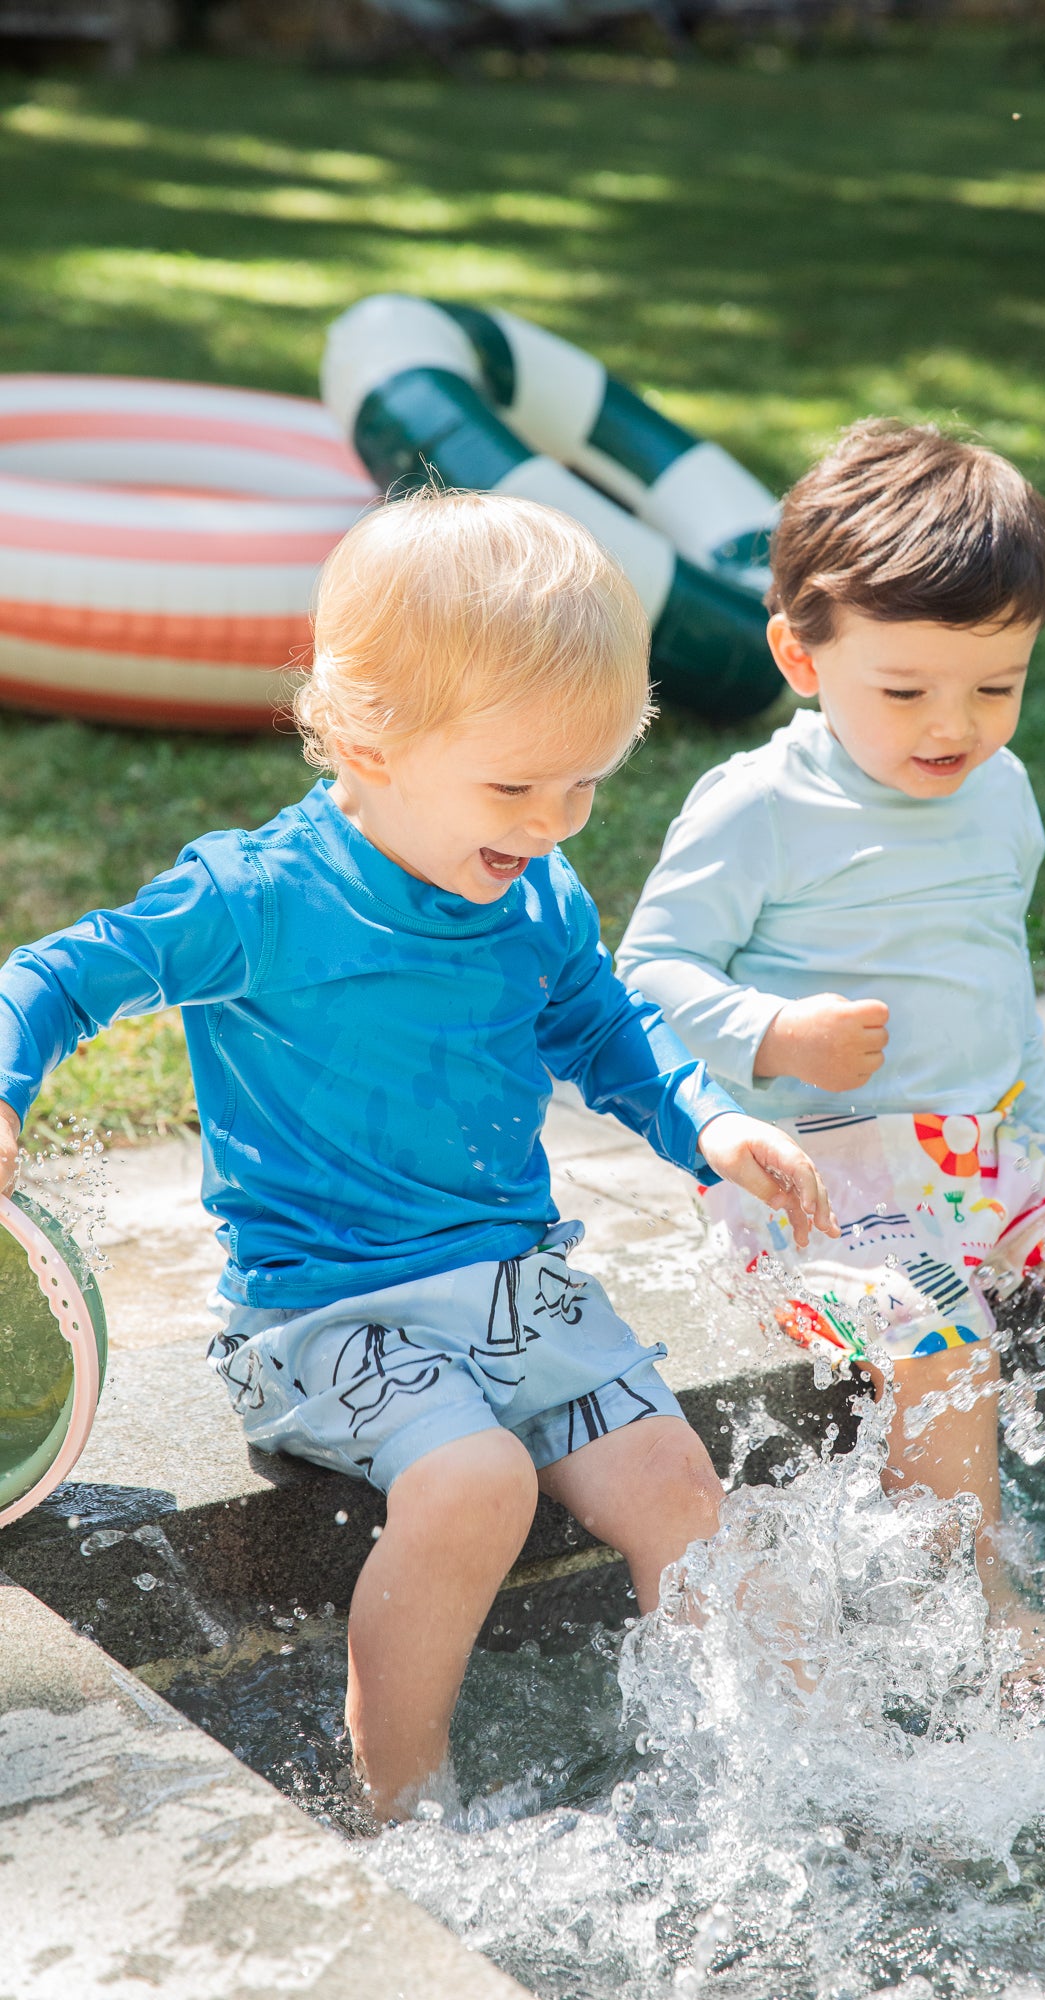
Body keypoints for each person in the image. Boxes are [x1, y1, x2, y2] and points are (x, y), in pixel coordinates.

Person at [0, 489, 836, 1817]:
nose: (558, 820)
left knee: (679, 1482)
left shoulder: (532, 888)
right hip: (327, 1317)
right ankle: (405, 1804)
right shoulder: (256, 897)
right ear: (364, 736)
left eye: (586, 782)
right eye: (517, 783)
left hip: (514, 1289)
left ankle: (771, 1782)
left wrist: (712, 1124)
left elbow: (606, 1032)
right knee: (473, 1479)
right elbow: (54, 979)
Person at [617, 419, 1045, 1635]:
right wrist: (774, 1029)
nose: (956, 723)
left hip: (988, 1150)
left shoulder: (1000, 792)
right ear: (798, 654)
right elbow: (641, 975)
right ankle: (979, 1607)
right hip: (815, 1177)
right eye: (907, 690)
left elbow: (997, 971)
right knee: (947, 1338)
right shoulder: (757, 806)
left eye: (998, 685)